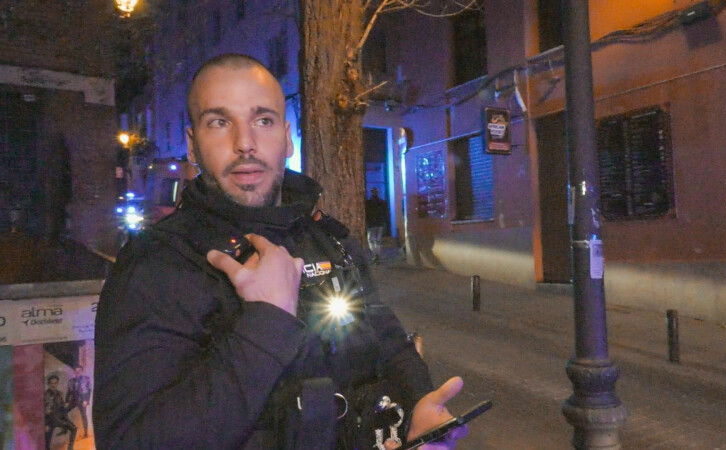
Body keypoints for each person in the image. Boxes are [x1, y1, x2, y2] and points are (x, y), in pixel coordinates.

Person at [94, 53, 466, 449]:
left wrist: (419, 405)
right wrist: (267, 321)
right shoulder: (156, 264)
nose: (245, 143)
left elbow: (387, 339)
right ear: (192, 144)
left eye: (263, 120)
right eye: (219, 122)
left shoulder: (328, 240)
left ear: (287, 138)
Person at [44, 374, 76, 450]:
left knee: (74, 428)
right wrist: (45, 424)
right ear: (48, 384)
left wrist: (66, 419)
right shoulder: (45, 395)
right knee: (47, 442)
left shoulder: (59, 394)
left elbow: (62, 408)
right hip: (50, 420)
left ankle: (70, 448)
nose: (53, 385)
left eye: (55, 383)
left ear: (57, 383)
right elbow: (43, 411)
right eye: (51, 383)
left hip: (59, 419)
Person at [66, 365, 92, 438]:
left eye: (79, 371)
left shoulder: (86, 379)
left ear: (82, 371)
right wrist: (66, 401)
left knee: (84, 416)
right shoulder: (71, 381)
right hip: (73, 400)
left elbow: (89, 390)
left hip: (82, 400)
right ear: (74, 371)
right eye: (76, 371)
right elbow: (69, 392)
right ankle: (68, 428)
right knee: (64, 412)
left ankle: (86, 433)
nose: (77, 372)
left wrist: (86, 400)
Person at [365, 187, 389, 264]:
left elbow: (366, 214)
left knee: (371, 240)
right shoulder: (382, 203)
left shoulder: (368, 203)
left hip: (371, 224)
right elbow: (385, 214)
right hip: (379, 223)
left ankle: (375, 255)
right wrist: (384, 223)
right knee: (378, 241)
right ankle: (377, 255)